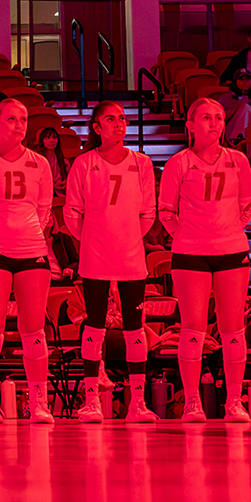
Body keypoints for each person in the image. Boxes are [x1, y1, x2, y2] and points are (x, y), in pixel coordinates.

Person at [0, 98, 59, 424]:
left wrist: (29, 234)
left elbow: (45, 209)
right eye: (12, 119)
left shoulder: (40, 164)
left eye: (23, 119)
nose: (19, 125)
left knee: (34, 330)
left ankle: (39, 402)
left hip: (31, 251)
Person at [63, 101, 159, 423]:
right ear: (96, 127)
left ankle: (137, 403)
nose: (118, 124)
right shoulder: (84, 163)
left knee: (135, 328)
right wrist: (92, 239)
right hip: (95, 256)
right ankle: (91, 400)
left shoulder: (141, 163)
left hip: (131, 257)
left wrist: (128, 237)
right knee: (94, 325)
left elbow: (148, 213)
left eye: (122, 119)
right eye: (110, 119)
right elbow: (71, 212)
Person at [159, 96, 251, 422]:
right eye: (207, 117)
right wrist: (190, 235)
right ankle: (192, 402)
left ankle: (234, 402)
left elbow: (246, 206)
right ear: (190, 125)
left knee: (233, 327)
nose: (214, 123)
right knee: (193, 327)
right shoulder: (179, 163)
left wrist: (226, 231)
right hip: (190, 252)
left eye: (219, 117)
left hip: (231, 250)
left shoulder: (238, 160)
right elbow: (166, 212)